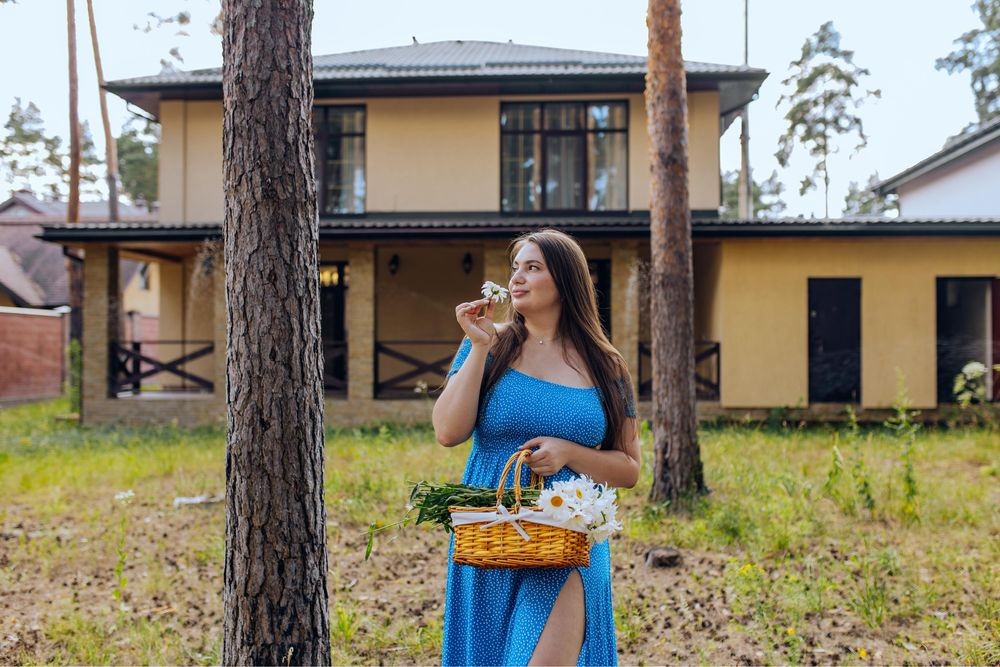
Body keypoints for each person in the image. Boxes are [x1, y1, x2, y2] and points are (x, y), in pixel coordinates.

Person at [432, 228, 641, 667]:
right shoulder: (490, 343)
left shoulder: (607, 365)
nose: (517, 278)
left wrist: (570, 453)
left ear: (565, 281)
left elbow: (628, 468)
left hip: (567, 541)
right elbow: (448, 431)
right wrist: (479, 346)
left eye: (533, 267)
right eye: (515, 268)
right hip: (493, 533)